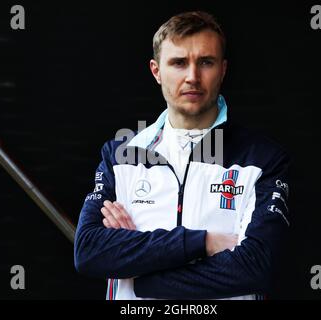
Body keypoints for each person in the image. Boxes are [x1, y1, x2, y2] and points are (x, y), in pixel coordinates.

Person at [74, 11, 290, 300]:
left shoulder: (263, 158)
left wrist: (142, 273)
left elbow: (255, 266)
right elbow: (89, 251)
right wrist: (204, 242)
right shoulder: (121, 155)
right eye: (178, 63)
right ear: (156, 71)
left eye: (206, 62)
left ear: (223, 70)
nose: (192, 76)